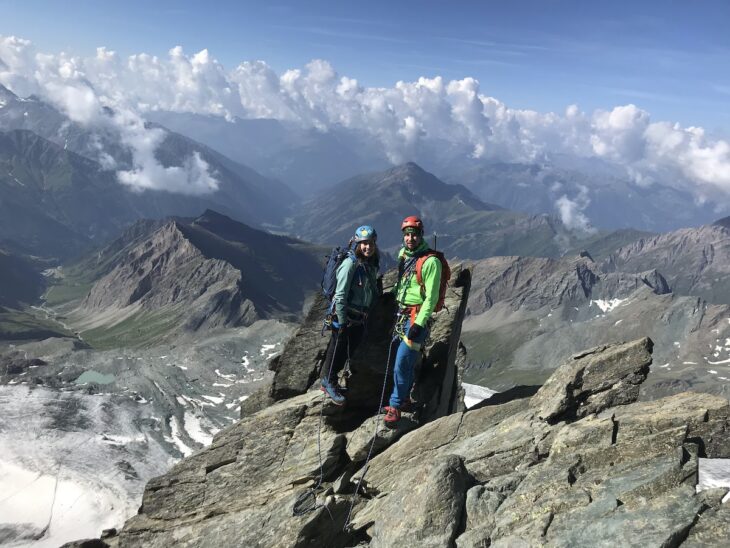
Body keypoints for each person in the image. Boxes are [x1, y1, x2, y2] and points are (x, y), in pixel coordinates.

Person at [384, 215, 442, 427]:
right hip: (401, 314)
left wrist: (419, 324)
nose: (410, 238)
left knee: (401, 362)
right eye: (407, 235)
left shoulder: (431, 262)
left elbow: (432, 298)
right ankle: (405, 398)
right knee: (403, 361)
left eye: (414, 235)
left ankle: (395, 406)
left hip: (416, 317)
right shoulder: (403, 255)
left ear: (420, 235)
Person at [320, 225, 380, 405]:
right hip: (345, 316)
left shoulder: (368, 264)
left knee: (347, 350)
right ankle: (328, 381)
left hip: (359, 316)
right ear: (357, 244)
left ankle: (332, 380)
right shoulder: (350, 263)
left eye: (370, 243)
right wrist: (342, 321)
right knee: (338, 347)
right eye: (363, 244)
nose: (367, 247)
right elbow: (340, 294)